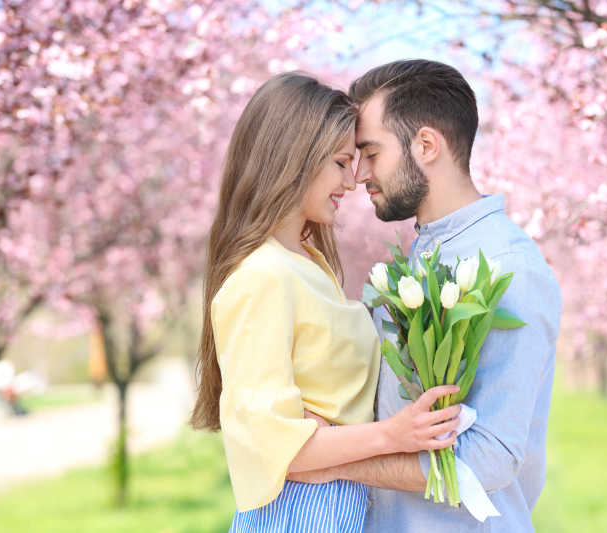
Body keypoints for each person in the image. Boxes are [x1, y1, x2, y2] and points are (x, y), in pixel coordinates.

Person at [288, 60, 562, 533]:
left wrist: (333, 461)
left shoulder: (508, 267)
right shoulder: (422, 256)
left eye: (371, 153)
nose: (359, 175)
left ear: (426, 145)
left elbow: (490, 459)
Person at [190, 72, 461, 533]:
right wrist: (390, 436)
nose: (352, 181)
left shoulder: (307, 266)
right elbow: (273, 447)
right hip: (299, 512)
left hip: (336, 504)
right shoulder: (263, 276)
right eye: (339, 162)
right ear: (293, 160)